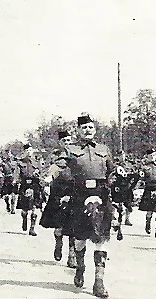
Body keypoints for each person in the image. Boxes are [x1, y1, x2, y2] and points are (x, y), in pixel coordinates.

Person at [61, 114, 114, 298]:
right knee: (80, 238)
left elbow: (112, 170)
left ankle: (99, 282)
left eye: (90, 127)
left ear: (95, 129)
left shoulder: (104, 149)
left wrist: (119, 176)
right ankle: (80, 267)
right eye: (84, 128)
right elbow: (59, 168)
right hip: (79, 196)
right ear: (78, 131)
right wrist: (51, 179)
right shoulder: (70, 149)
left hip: (101, 195)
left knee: (101, 238)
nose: (88, 130)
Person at [40, 131, 77, 268]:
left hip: (74, 193)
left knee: (74, 227)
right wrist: (48, 180)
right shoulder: (55, 157)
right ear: (60, 142)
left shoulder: (77, 156)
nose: (67, 143)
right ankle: (58, 243)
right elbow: (50, 171)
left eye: (69, 140)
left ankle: (72, 256)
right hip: (58, 193)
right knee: (59, 227)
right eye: (65, 141)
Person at [16, 143, 44, 236]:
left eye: (30, 150)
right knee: (24, 209)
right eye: (27, 150)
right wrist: (17, 181)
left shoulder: (36, 163)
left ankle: (32, 228)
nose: (29, 152)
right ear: (24, 152)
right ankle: (24, 219)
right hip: (24, 186)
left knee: (34, 208)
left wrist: (40, 177)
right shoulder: (20, 163)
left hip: (35, 186)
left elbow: (41, 174)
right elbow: (17, 175)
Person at [138, 148, 156, 239]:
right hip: (149, 189)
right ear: (147, 157)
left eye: (154, 155)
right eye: (150, 156)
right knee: (149, 210)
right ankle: (148, 224)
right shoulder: (144, 168)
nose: (152, 157)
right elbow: (141, 179)